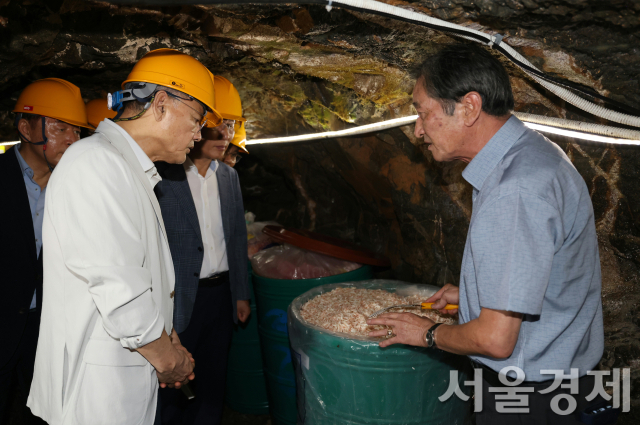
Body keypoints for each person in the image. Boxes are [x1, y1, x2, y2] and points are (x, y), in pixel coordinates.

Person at [367, 43, 604, 424]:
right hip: (563, 385)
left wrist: (428, 333)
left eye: (423, 113)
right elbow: (544, 273)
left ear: (469, 107)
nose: (416, 130)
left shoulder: (515, 190)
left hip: (531, 397)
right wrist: (475, 298)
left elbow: (495, 340)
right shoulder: (534, 157)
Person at [27, 48, 217, 425]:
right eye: (196, 120)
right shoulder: (95, 162)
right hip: (97, 390)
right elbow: (119, 289)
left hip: (121, 374)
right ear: (161, 104)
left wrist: (169, 337)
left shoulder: (127, 169)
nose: (199, 135)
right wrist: (168, 359)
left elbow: (141, 275)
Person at [155, 74, 249, 425]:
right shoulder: (164, 178)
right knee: (174, 381)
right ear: (195, 129)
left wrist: (241, 293)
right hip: (180, 297)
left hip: (220, 295)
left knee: (213, 375)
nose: (225, 135)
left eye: (229, 126)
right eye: (215, 127)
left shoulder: (229, 178)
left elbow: (237, 240)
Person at [0, 78, 91, 425]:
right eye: (60, 127)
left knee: (43, 414)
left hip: (50, 327)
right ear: (26, 128)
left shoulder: (76, 184)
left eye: (77, 130)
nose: (72, 138)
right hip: (3, 323)